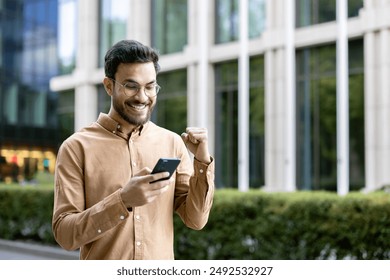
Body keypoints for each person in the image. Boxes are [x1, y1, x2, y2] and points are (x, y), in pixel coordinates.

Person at [52, 40, 215, 260]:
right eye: (131, 86)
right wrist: (122, 201)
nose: (142, 96)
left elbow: (196, 220)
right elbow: (65, 234)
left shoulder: (172, 143)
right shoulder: (76, 147)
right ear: (109, 86)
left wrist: (202, 161)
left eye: (150, 86)